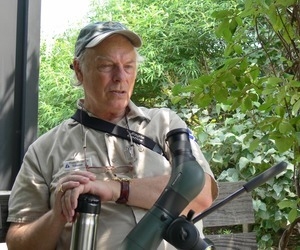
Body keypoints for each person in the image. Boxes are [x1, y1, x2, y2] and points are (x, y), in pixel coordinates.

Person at [6, 21, 218, 250]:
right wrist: (58, 214)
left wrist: (116, 189)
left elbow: (201, 194)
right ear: (79, 70)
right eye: (107, 66)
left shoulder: (164, 124)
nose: (120, 77)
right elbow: (18, 243)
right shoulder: (44, 150)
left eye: (128, 66)